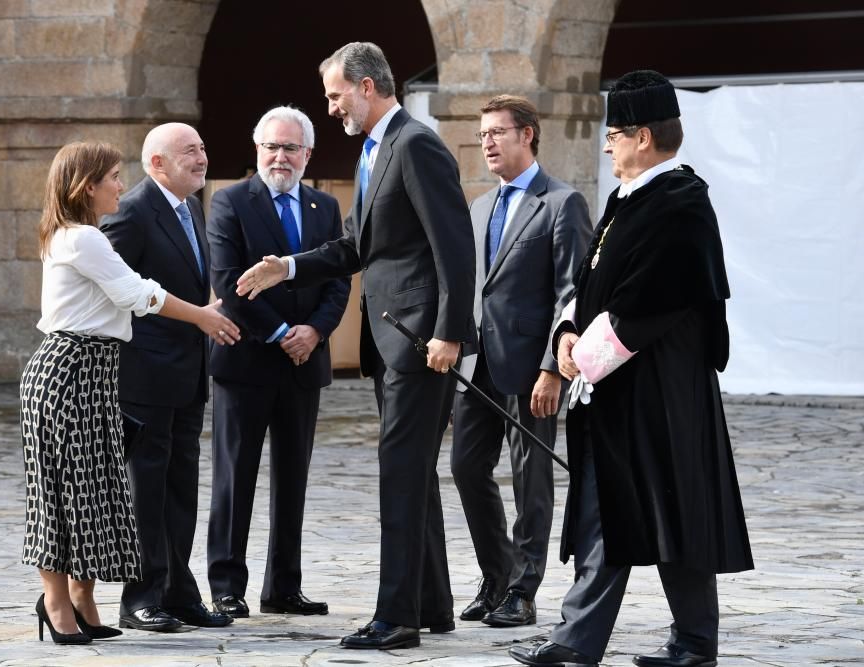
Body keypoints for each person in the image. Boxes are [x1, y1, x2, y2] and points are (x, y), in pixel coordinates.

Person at [508, 70, 753, 667]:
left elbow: (654, 300)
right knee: (609, 510)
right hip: (621, 393)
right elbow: (589, 284)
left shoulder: (680, 204)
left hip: (663, 393)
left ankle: (689, 643)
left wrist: (582, 358)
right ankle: (584, 640)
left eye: (614, 134)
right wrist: (567, 332)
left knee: (676, 515)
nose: (608, 145)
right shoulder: (626, 200)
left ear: (643, 136)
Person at [237, 41, 476, 650]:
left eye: (335, 93)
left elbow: (453, 246)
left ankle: (396, 619)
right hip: (393, 342)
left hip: (421, 341)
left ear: (367, 86)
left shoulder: (415, 144)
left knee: (400, 473)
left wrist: (450, 331)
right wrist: (286, 267)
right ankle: (430, 605)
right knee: (414, 475)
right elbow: (352, 248)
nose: (332, 105)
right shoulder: (376, 151)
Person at [21, 141, 239, 645]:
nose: (122, 184)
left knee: (94, 491)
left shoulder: (81, 234)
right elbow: (137, 293)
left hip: (92, 372)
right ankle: (56, 601)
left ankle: (81, 596)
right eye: (114, 176)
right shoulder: (83, 239)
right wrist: (203, 315)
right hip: (71, 371)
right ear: (86, 186)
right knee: (62, 494)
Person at [451, 95, 592, 628]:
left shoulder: (562, 202)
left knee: (531, 477)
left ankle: (523, 590)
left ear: (527, 135)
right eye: (483, 133)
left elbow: (570, 295)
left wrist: (552, 368)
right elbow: (471, 289)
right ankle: (497, 576)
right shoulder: (480, 206)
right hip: (477, 367)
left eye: (497, 133)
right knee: (466, 468)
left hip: (533, 367)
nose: (486, 142)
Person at [205, 106, 350, 619]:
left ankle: (284, 586)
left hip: (303, 363)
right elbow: (228, 281)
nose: (280, 157)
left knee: (293, 480)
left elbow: (338, 279)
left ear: (307, 154)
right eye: (271, 146)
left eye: (290, 148)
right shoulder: (229, 202)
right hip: (246, 361)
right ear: (257, 150)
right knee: (234, 477)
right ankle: (226, 585)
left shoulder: (324, 208)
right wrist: (282, 331)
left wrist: (315, 331)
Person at [100, 123, 234, 632]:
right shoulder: (133, 213)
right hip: (145, 378)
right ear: (156, 163)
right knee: (146, 492)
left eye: (203, 148)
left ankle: (179, 591)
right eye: (189, 152)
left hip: (188, 375)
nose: (202, 158)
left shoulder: (190, 207)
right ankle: (140, 597)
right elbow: (119, 293)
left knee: (181, 489)